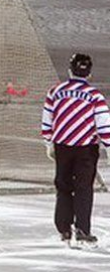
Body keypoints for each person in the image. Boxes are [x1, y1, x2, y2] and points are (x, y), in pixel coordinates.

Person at [42, 53, 110, 246]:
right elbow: (104, 124)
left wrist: (48, 142)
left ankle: (64, 229)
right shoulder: (95, 96)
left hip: (62, 146)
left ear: (70, 70)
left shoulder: (55, 92)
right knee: (83, 188)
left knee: (63, 187)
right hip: (86, 149)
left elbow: (47, 119)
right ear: (89, 74)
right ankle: (82, 230)